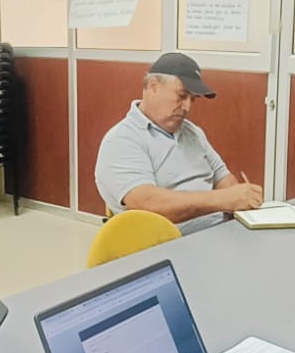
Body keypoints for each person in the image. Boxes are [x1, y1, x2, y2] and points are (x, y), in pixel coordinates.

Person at [94, 52, 263, 232]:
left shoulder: (193, 133)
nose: (187, 107)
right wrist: (223, 200)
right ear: (153, 87)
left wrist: (241, 198)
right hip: (169, 242)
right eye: (182, 96)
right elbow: (149, 205)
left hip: (219, 231)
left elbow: (224, 180)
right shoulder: (122, 140)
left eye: (193, 99)